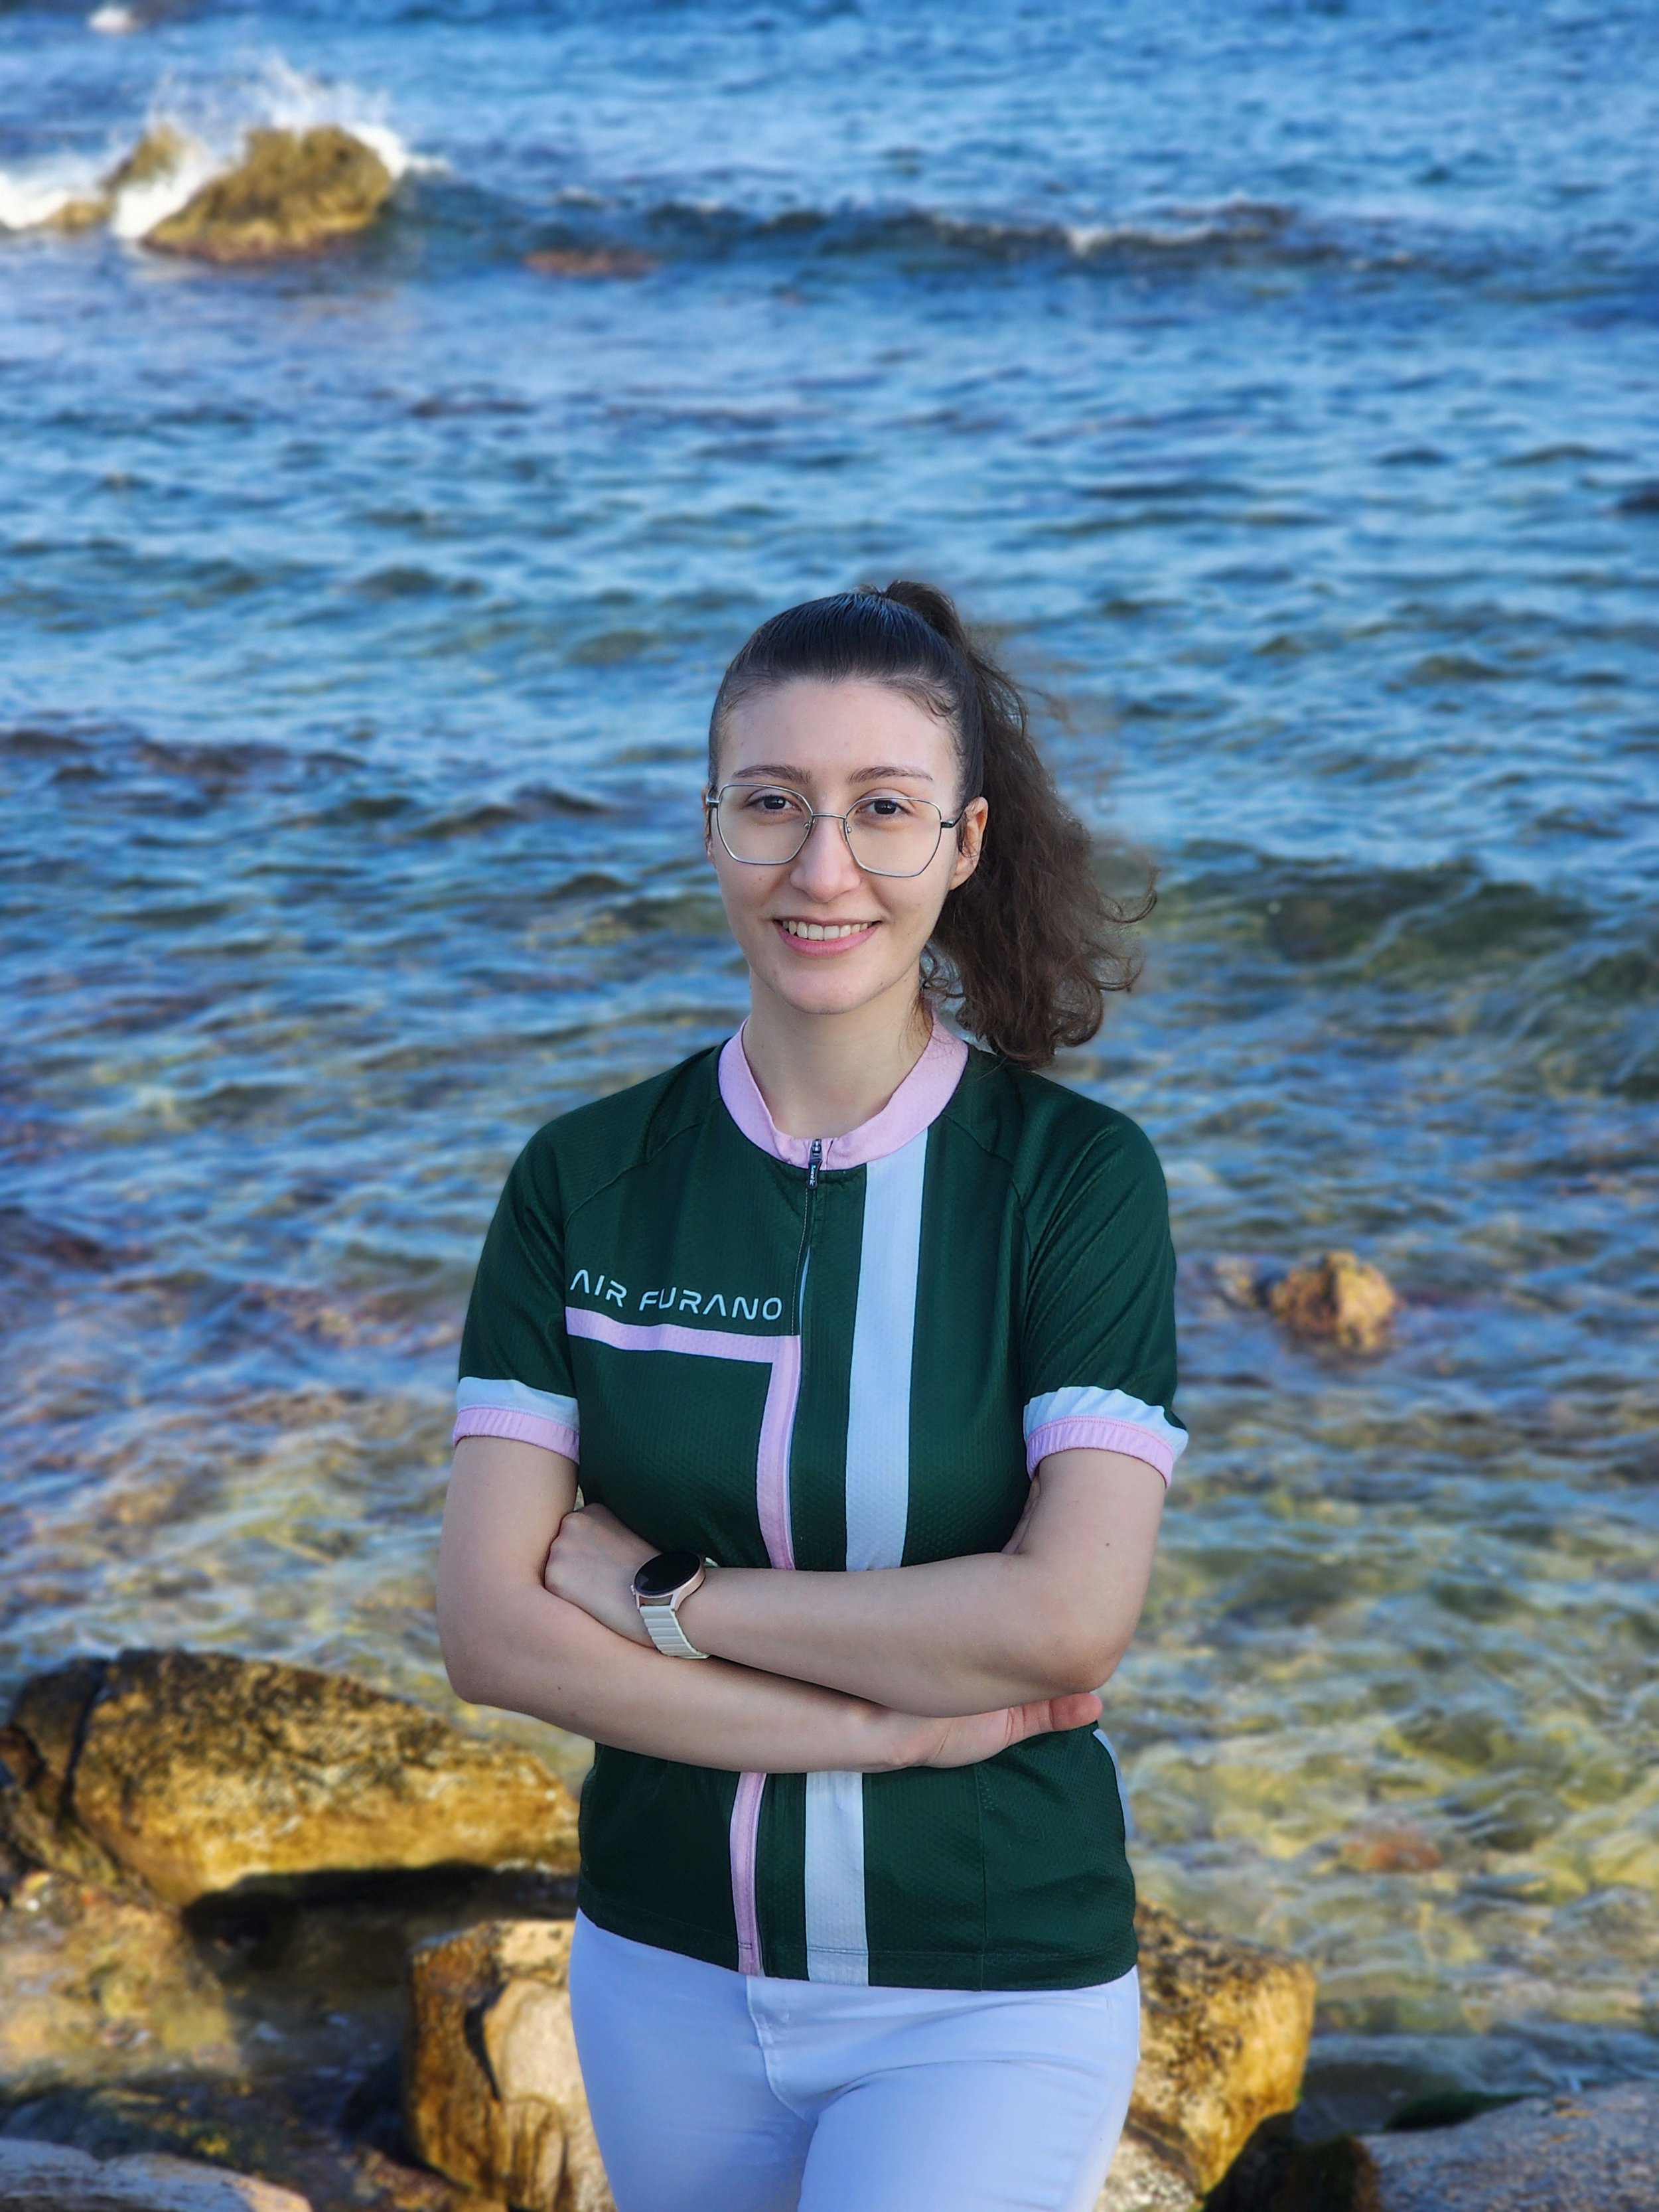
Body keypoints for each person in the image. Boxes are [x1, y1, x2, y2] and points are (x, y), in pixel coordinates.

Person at [436, 581, 1185, 2212]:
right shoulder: (582, 1179)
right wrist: (891, 1733)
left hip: (984, 1982)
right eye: (771, 803)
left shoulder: (1073, 1183)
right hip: (660, 1964)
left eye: (882, 810)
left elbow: (1065, 1619)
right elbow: (490, 1632)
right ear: (707, 820)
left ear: (963, 842)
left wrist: (668, 1599)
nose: (821, 866)